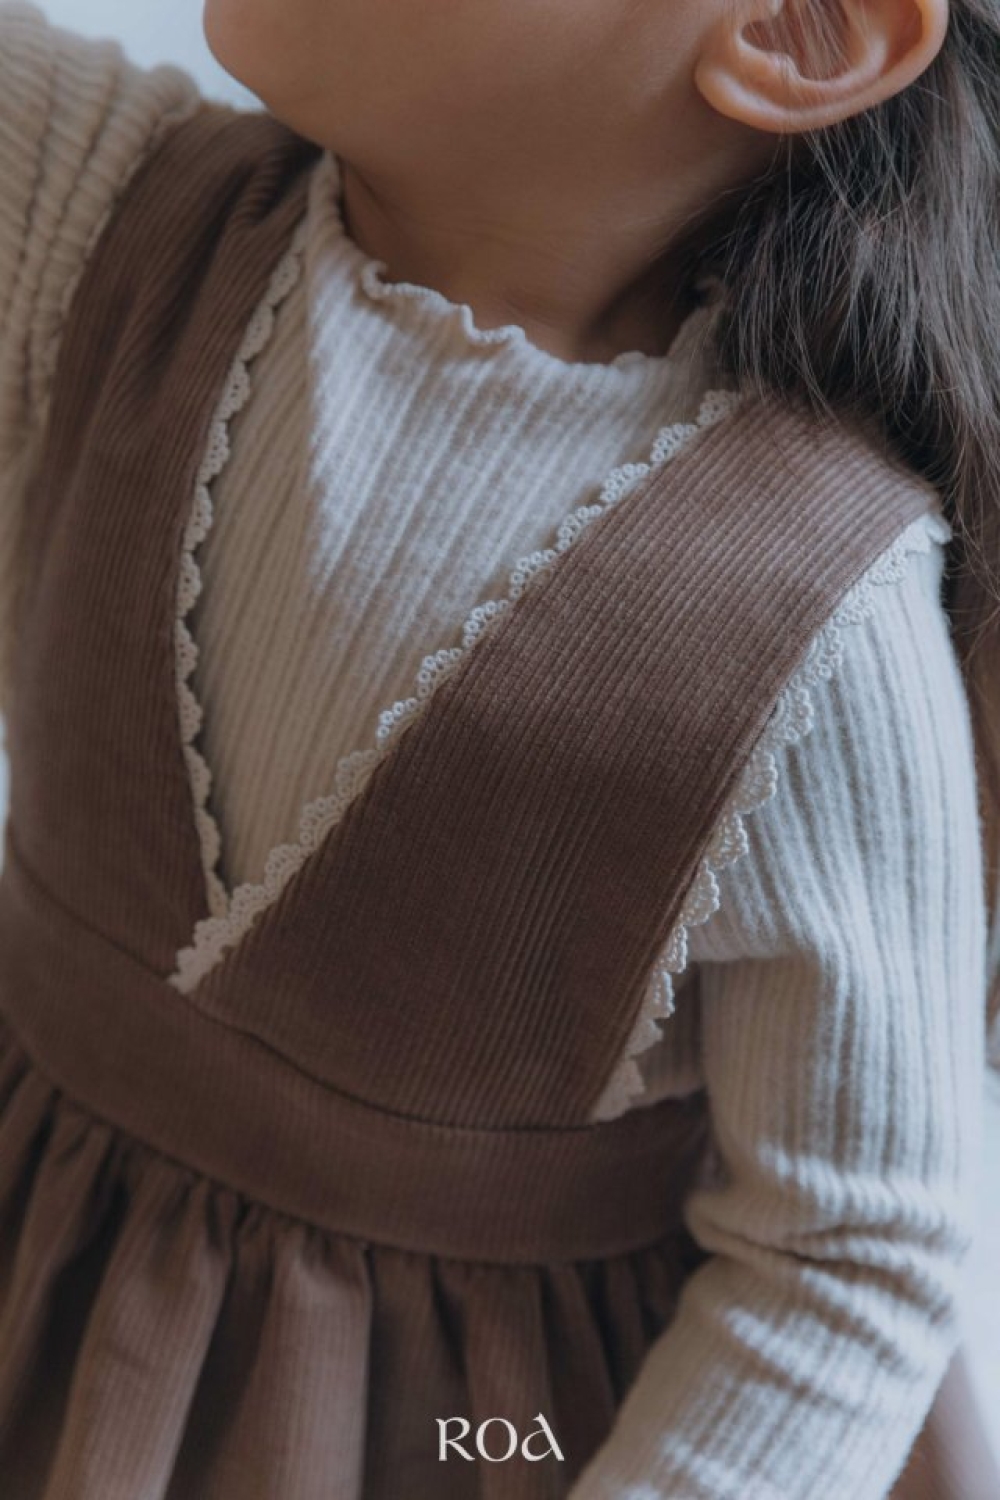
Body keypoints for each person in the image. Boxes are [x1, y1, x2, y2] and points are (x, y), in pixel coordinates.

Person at [0, 1, 995, 1496]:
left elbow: (844, 1263)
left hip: (475, 1441)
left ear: (797, 35)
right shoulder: (109, 209)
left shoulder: (815, 621)